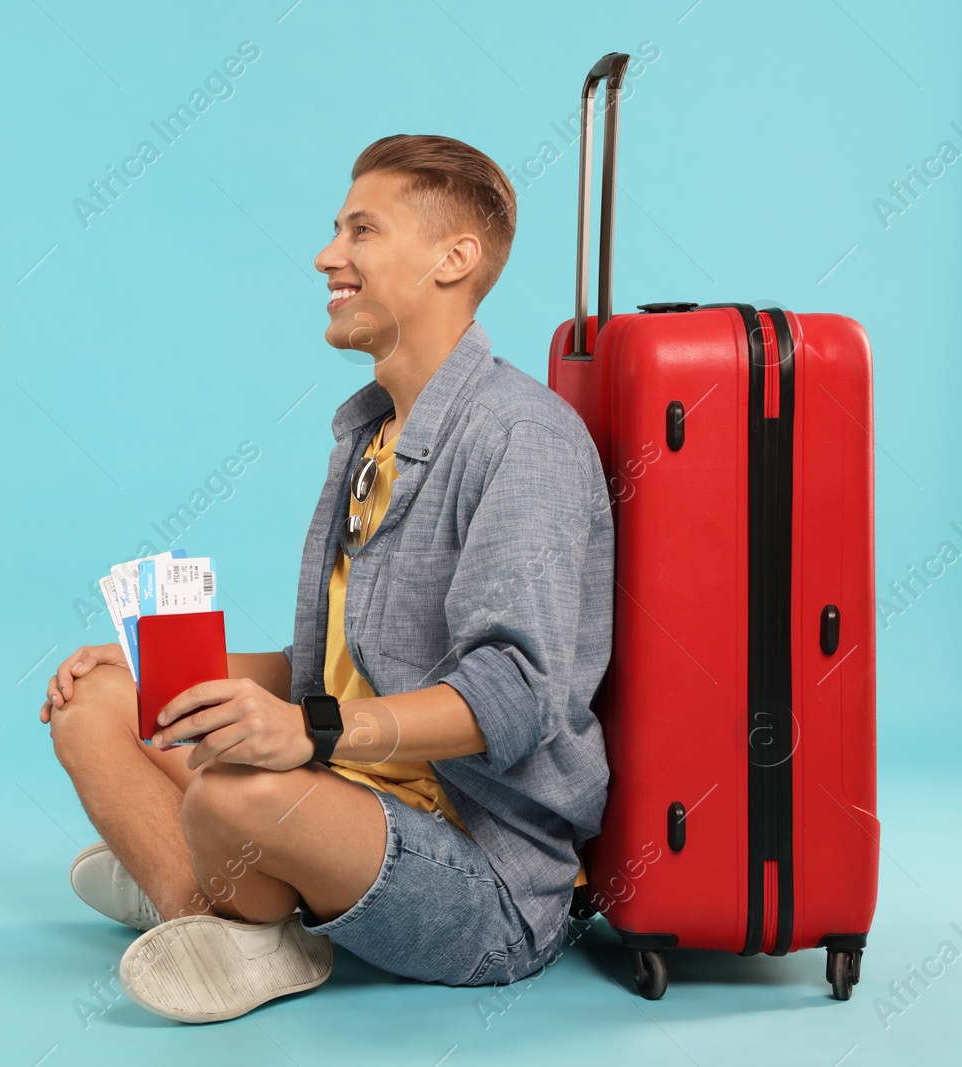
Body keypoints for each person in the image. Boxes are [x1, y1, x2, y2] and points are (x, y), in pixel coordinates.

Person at [39, 134, 613, 1024]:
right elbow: (327, 668)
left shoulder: (521, 438)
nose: (326, 256)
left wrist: (309, 732)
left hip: (481, 873)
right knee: (96, 705)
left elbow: (512, 695)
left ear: (452, 259)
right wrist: (146, 668)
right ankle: (220, 895)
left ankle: (202, 896)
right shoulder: (368, 436)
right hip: (349, 792)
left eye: (362, 230)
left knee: (238, 791)